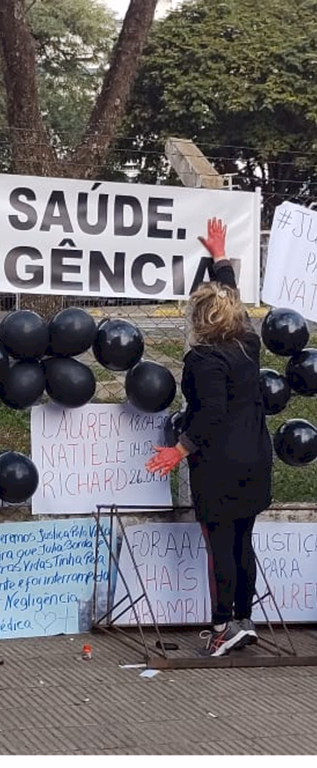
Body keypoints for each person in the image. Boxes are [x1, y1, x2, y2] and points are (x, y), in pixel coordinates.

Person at [146, 217, 273, 657]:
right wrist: (219, 256)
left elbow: (212, 412)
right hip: (255, 458)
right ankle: (243, 619)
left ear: (200, 320)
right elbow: (230, 298)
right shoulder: (248, 345)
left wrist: (178, 450)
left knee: (219, 545)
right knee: (242, 541)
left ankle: (221, 625)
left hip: (220, 465)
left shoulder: (203, 358)